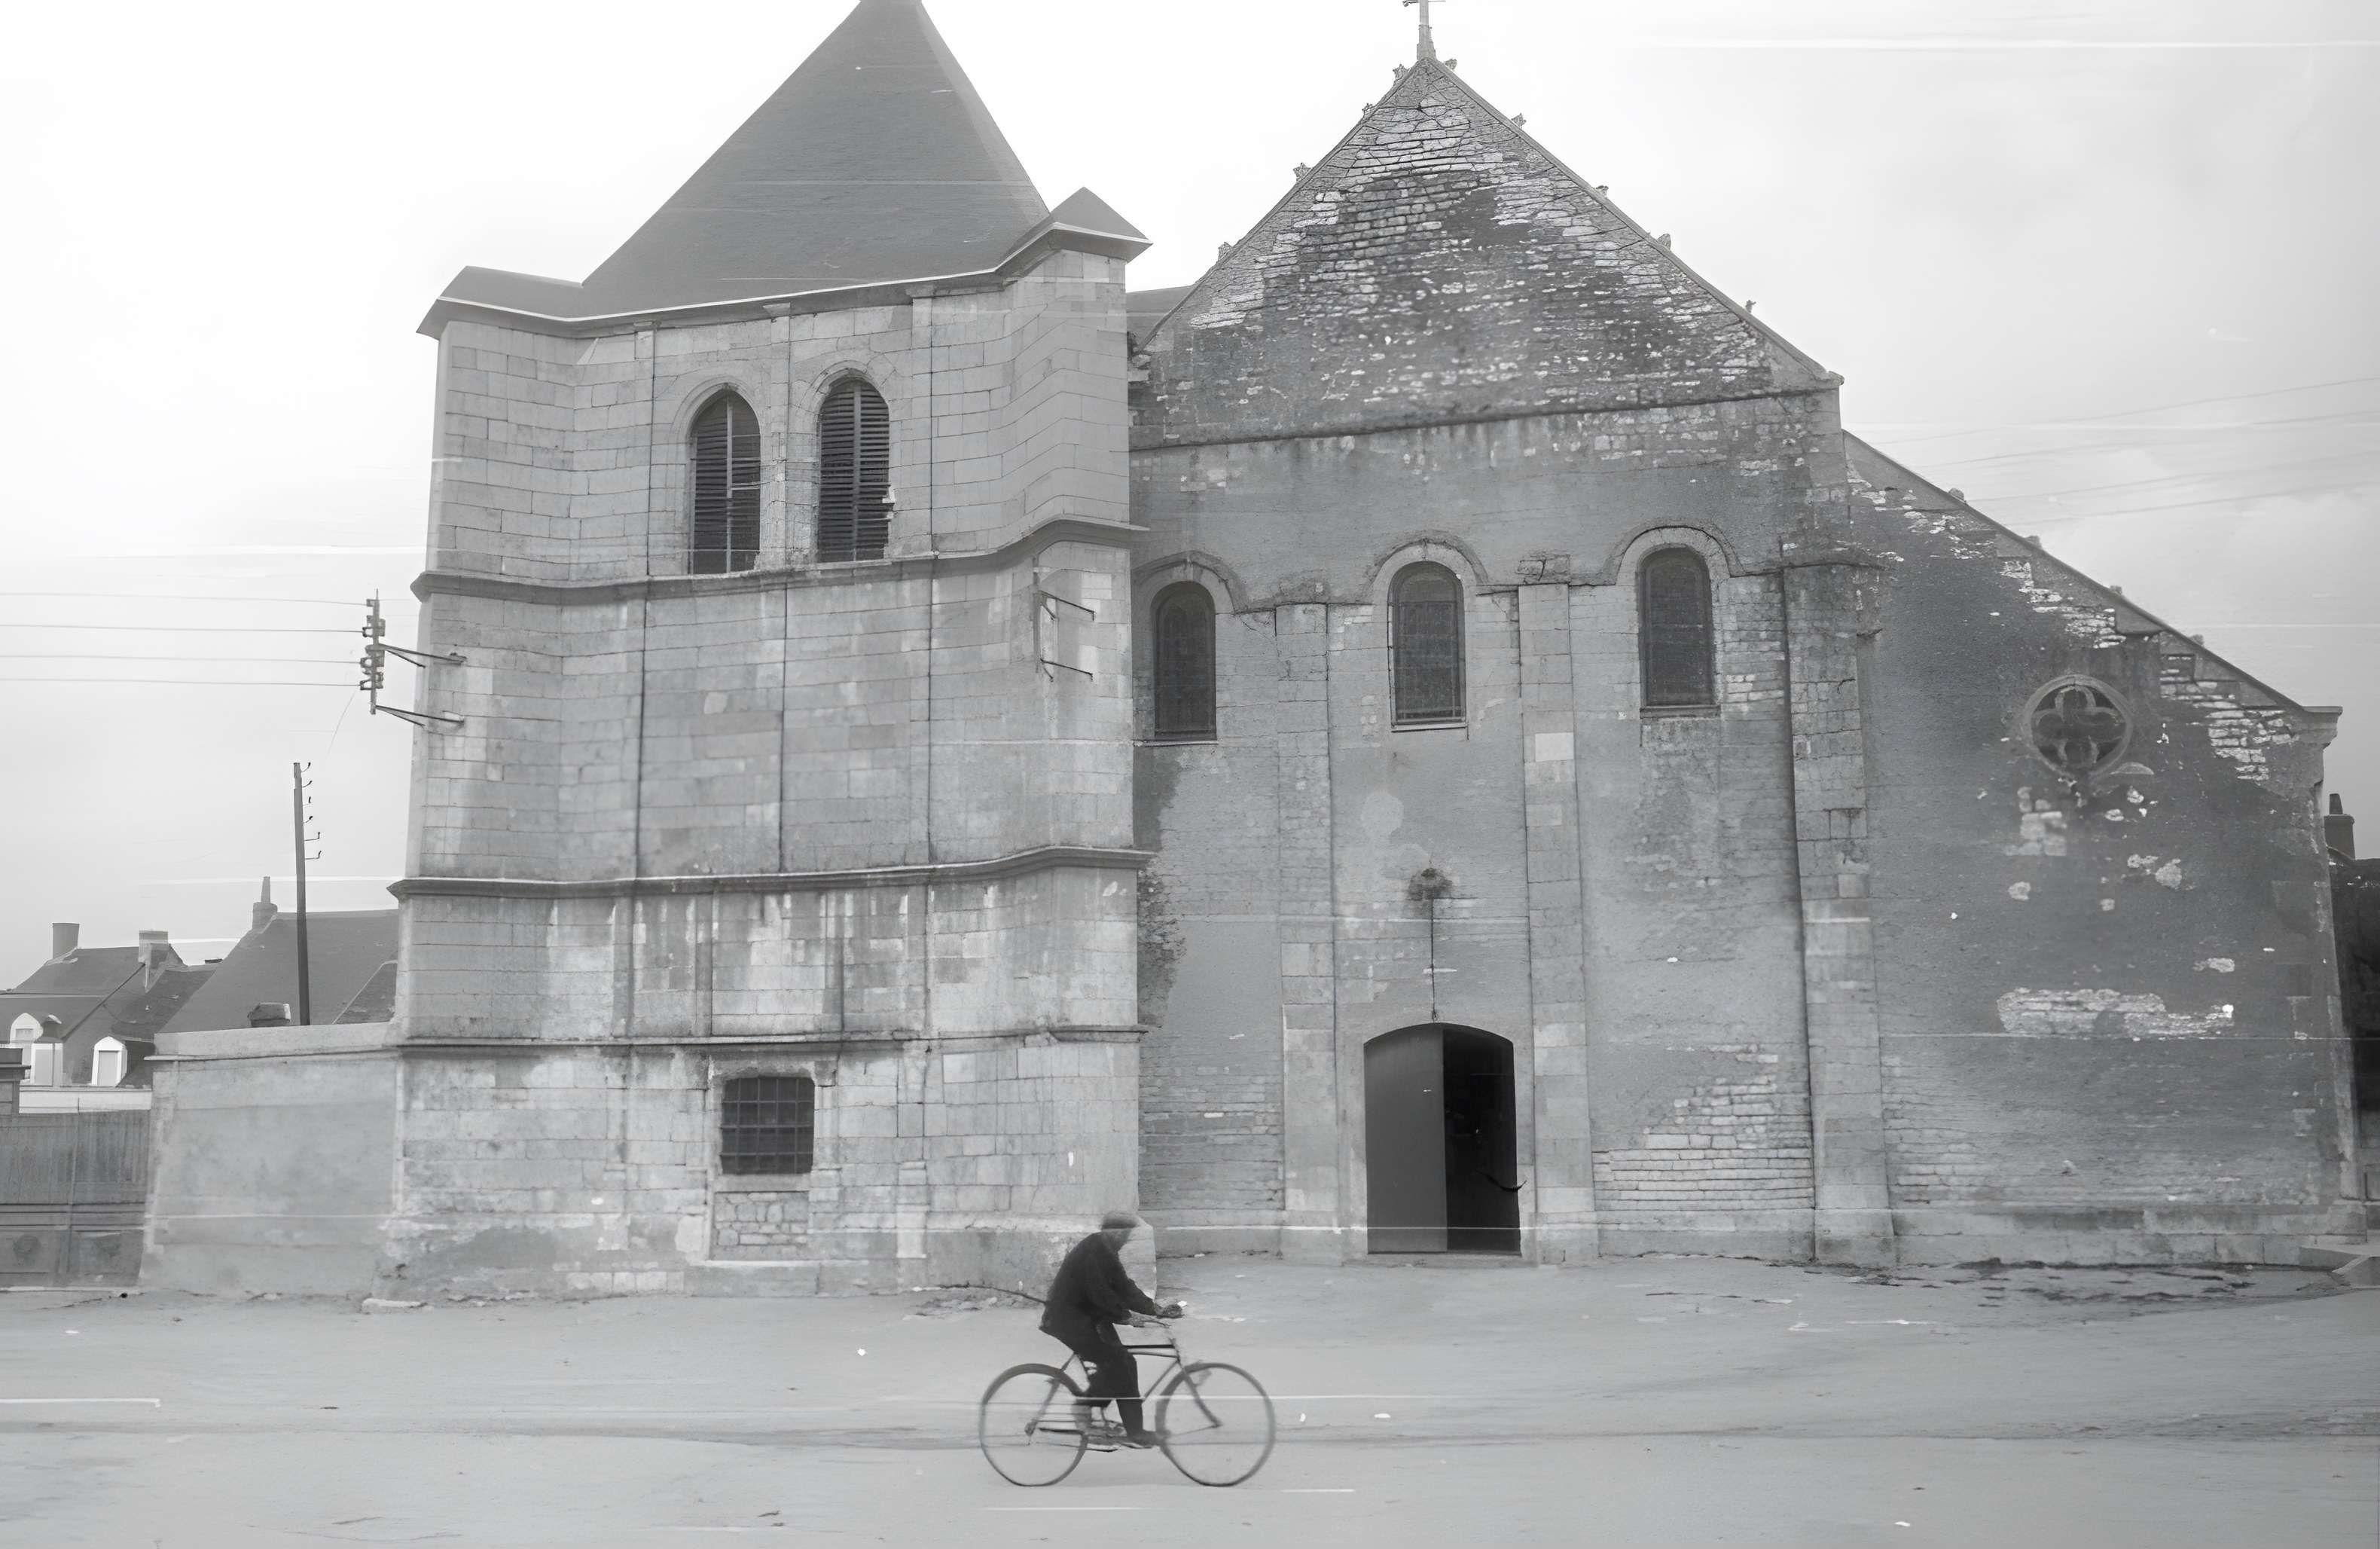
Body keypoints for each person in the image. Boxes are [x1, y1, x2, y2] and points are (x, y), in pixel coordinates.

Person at [1040, 1211, 1182, 1448]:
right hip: (1068, 1320)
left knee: (1125, 1363)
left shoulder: (1106, 1251)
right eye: (1123, 1234)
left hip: (1090, 1318)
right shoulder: (1092, 1251)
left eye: (1127, 1235)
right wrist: (1125, 1316)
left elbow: (1124, 1287)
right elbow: (1099, 1293)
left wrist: (1155, 1309)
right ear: (1111, 1231)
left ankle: (1134, 1431)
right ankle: (1085, 1412)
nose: (1124, 1239)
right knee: (1115, 1363)